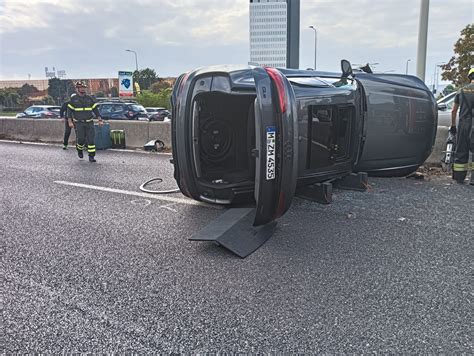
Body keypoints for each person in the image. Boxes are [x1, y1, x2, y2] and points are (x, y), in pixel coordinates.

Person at [67, 81, 104, 162]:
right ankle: (79, 149)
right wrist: (70, 122)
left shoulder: (89, 98)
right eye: (81, 87)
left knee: (91, 140)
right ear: (77, 89)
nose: (83, 89)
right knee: (81, 139)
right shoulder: (73, 99)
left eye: (84, 87)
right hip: (79, 123)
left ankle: (91, 156)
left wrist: (100, 119)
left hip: (89, 122)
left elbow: (95, 109)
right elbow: (69, 112)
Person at [450, 68, 474, 185]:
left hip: (464, 123)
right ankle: (473, 179)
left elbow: (454, 110)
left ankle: (459, 177)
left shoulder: (461, 91)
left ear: (470, 77)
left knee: (461, 150)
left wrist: (453, 125)